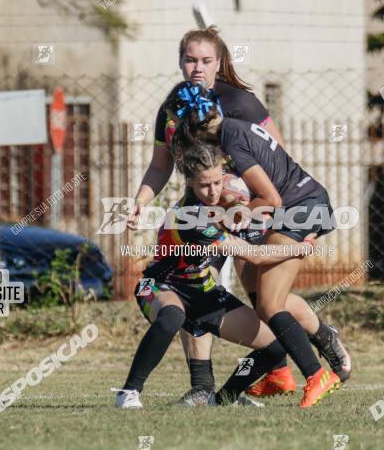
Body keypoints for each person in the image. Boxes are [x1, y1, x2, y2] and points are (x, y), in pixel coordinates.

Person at [128, 27, 350, 405]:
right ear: (180, 61)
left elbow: (274, 162)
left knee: (266, 296)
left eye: (205, 60)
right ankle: (210, 385)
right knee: (192, 279)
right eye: (189, 59)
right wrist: (142, 201)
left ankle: (318, 345)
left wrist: (241, 203)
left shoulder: (238, 106)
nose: (197, 68)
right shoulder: (174, 108)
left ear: (220, 61)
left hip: (260, 207)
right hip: (210, 207)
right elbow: (160, 165)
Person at [164, 83, 343, 408]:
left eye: (181, 122)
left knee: (270, 304)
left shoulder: (230, 136)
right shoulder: (231, 128)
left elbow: (270, 198)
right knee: (264, 299)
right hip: (295, 208)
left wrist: (232, 217)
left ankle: (318, 375)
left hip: (296, 208)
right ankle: (280, 372)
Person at [112, 143, 317, 408]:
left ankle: (223, 399)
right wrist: (301, 247)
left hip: (202, 292)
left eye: (217, 182)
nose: (213, 191)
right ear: (189, 182)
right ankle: (129, 392)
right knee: (173, 316)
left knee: (276, 345)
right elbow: (255, 256)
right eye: (204, 185)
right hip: (160, 285)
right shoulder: (192, 216)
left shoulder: (221, 203)